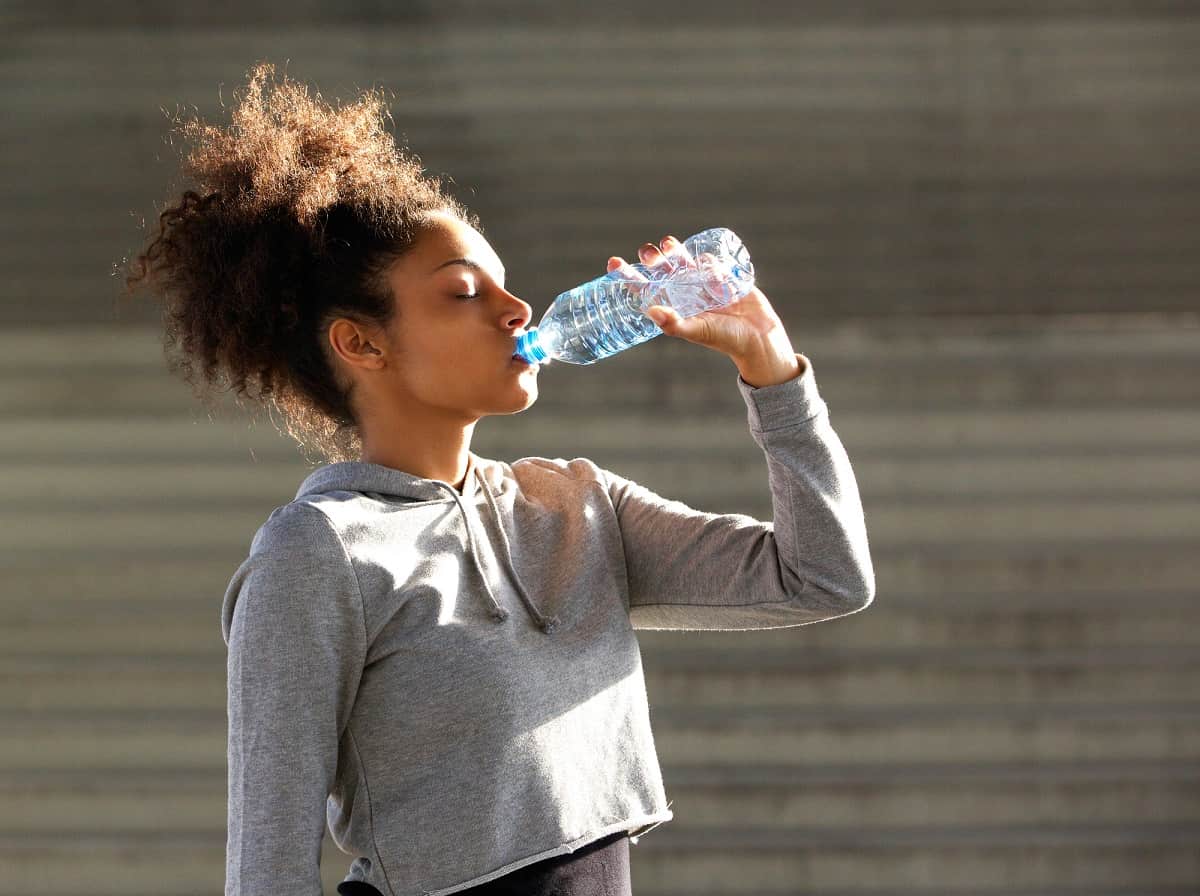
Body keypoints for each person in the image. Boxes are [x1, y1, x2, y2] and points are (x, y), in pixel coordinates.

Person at [121, 62, 875, 896]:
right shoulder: (317, 553)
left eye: (507, 285)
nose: (517, 310)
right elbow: (267, 866)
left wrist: (773, 377)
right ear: (361, 345)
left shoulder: (577, 504)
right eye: (464, 294)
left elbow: (822, 579)